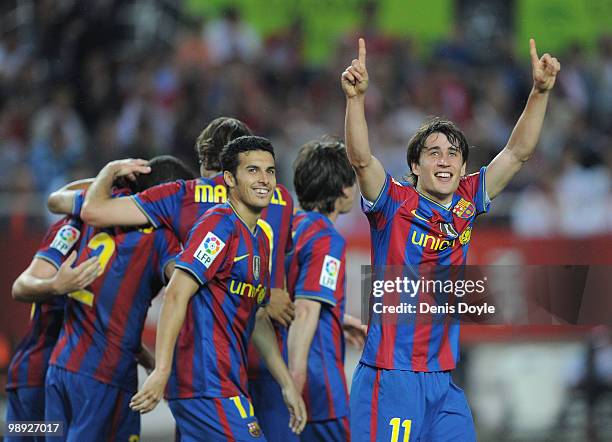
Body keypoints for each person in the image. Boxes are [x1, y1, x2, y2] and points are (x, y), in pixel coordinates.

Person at [341, 38, 560, 441]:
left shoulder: (468, 200)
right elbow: (359, 159)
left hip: (442, 384)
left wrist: (539, 92)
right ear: (415, 165)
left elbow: (516, 153)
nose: (445, 160)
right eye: (434, 152)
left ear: (463, 167)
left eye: (454, 153)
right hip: (391, 378)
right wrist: (356, 99)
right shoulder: (392, 202)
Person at [47, 116, 297, 439]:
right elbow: (180, 288)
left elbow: (78, 206)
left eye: (267, 171)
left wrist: (110, 171)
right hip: (212, 372)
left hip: (205, 366)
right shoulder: (265, 212)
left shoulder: (186, 198)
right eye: (253, 169)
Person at [128, 136, 307, 441]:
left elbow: (257, 317)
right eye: (252, 170)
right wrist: (161, 371)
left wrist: (286, 383)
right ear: (229, 179)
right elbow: (176, 293)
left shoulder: (261, 238)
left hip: (225, 380)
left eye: (270, 171)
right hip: (206, 383)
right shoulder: (219, 226)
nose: (264, 179)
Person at [44, 155, 193, 441]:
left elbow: (55, 200)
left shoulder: (100, 204)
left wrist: (109, 170)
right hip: (105, 377)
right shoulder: (161, 236)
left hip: (61, 367)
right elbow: (183, 279)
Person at [286, 138, 358, 442]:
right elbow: (304, 309)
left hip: (276, 371)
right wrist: (297, 379)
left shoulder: (287, 228)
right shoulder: (327, 239)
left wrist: (338, 318)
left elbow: (290, 297)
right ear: (343, 189)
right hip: (316, 387)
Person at [5, 219, 99, 442]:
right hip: (42, 378)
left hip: (31, 376)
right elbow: (20, 286)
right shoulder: (72, 228)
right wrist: (56, 285)